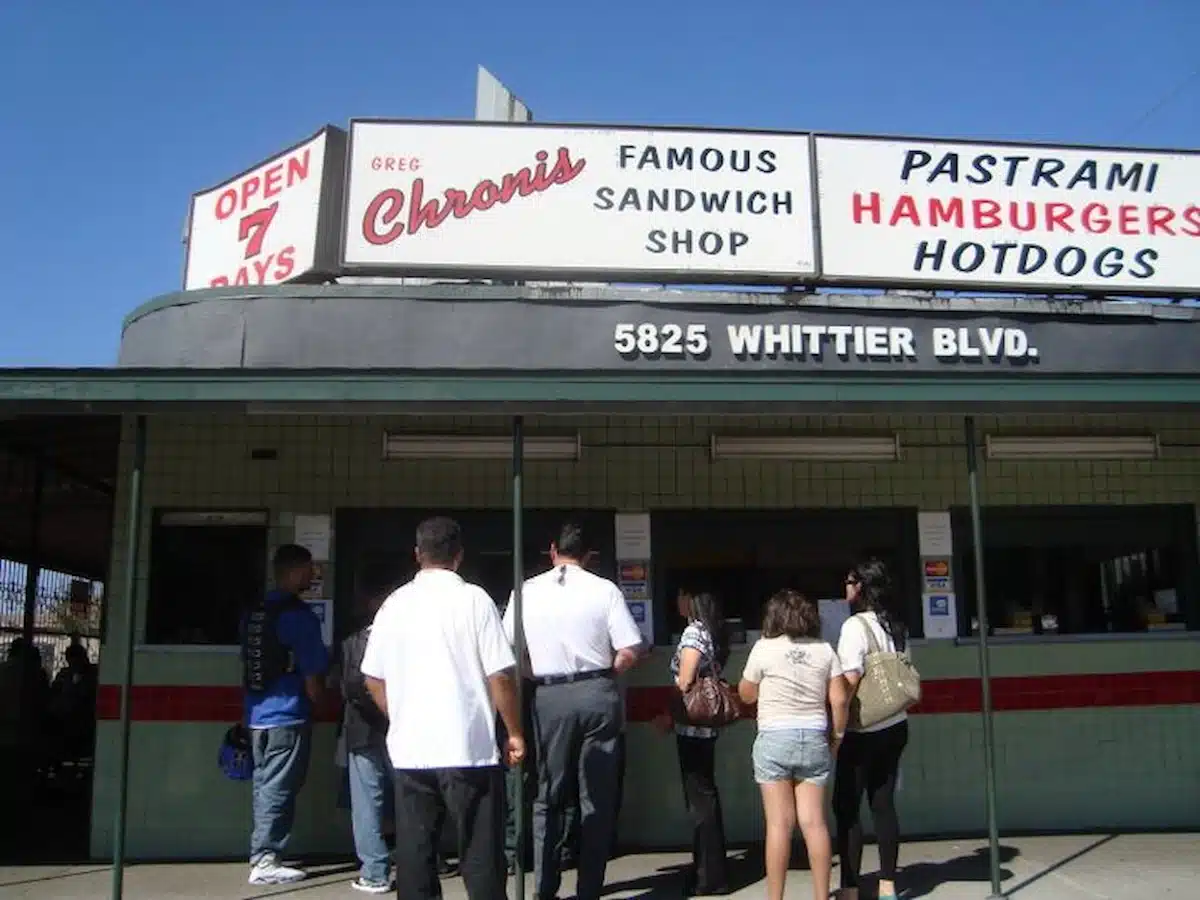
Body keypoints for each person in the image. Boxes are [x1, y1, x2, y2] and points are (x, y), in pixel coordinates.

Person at [361, 516, 525, 900]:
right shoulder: (474, 600)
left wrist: (398, 713)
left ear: (417, 554)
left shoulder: (395, 604)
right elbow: (499, 676)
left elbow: (371, 676)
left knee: (416, 854)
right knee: (480, 853)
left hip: (411, 750)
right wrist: (514, 731)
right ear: (459, 555)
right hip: (469, 748)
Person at [503, 521, 644, 900]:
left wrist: (536, 672)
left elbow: (507, 651)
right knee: (595, 798)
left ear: (553, 550)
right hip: (598, 694)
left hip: (548, 697)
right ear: (589, 555)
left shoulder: (526, 591)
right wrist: (603, 673)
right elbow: (630, 648)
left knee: (547, 795)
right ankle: (588, 890)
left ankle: (544, 889)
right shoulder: (605, 590)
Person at [738, 590, 849, 900]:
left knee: (778, 825)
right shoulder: (825, 650)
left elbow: (746, 693)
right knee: (814, 823)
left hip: (774, 736)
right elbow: (839, 699)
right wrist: (837, 737)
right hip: (814, 735)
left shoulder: (763, 648)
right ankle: (821, 895)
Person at [241, 544, 329, 886]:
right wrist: (317, 702)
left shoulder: (255, 612)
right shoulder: (299, 616)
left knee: (264, 785)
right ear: (293, 572)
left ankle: (265, 853)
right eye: (309, 570)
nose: (313, 576)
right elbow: (312, 674)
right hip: (288, 715)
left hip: (257, 715)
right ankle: (265, 859)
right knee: (278, 788)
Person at [833, 559, 910, 900]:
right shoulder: (896, 625)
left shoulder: (854, 627)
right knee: (883, 805)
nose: (845, 587)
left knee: (847, 807)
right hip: (895, 725)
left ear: (861, 586)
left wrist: (836, 723)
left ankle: (850, 887)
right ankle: (889, 886)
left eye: (849, 582)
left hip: (861, 731)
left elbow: (849, 680)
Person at [654, 589, 732, 896]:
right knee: (706, 795)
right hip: (705, 729)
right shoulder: (710, 631)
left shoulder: (693, 632)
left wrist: (668, 714)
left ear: (690, 600)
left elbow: (685, 680)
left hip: (692, 728)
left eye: (680, 596)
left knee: (700, 800)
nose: (676, 602)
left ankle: (710, 876)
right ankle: (711, 869)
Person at [337, 582, 395, 894]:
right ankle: (429, 860)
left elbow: (348, 687)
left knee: (367, 804)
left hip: (362, 730)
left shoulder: (353, 642)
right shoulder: (407, 642)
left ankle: (375, 872)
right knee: (413, 799)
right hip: (402, 729)